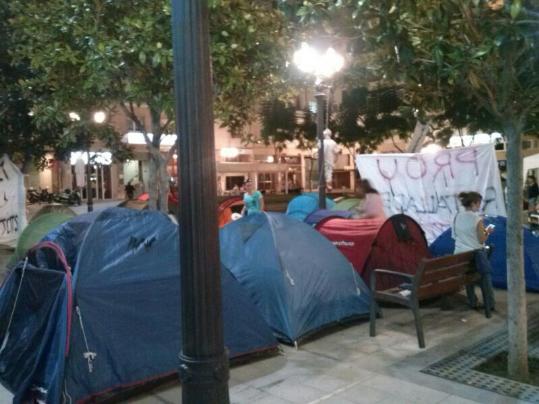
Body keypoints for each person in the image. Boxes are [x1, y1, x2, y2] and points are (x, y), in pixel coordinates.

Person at [452, 191, 495, 310]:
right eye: (479, 203)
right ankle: (490, 304)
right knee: (485, 276)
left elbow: (454, 236)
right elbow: (481, 240)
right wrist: (487, 232)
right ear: (474, 203)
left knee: (468, 278)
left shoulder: (457, 217)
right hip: (475, 256)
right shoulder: (477, 219)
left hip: (460, 256)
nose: (480, 206)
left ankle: (472, 301)